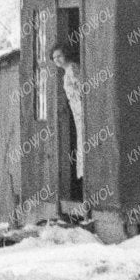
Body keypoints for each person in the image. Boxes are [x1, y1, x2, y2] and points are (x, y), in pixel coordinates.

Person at [51, 46, 84, 198]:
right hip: (77, 112)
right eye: (54, 57)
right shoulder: (66, 72)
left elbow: (83, 87)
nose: (57, 59)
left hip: (82, 110)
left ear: (66, 55)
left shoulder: (72, 68)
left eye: (59, 56)